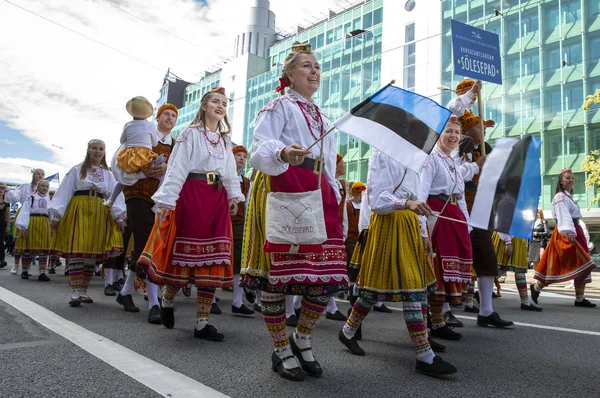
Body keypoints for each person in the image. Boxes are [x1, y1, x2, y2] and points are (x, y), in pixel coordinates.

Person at [241, 43, 348, 381]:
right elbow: (259, 150)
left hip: (318, 188)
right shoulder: (278, 107)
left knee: (325, 277)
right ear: (288, 75)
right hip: (283, 184)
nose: (314, 71)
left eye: (317, 66)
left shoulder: (324, 117)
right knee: (277, 277)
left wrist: (336, 196)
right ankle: (280, 348)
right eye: (306, 66)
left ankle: (301, 338)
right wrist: (284, 151)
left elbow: (330, 165)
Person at [338, 150, 457, 378]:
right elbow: (378, 201)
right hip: (389, 224)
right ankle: (424, 355)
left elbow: (418, 201)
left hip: (409, 225)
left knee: (394, 288)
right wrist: (407, 203)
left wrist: (423, 233)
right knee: (409, 286)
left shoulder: (416, 158)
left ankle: (348, 330)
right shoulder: (382, 154)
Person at [139, 86, 244, 341]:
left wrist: (233, 196)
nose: (220, 106)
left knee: (215, 258)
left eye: (224, 103)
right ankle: (167, 298)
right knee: (185, 256)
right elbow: (176, 168)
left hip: (216, 197)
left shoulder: (225, 140)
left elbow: (230, 171)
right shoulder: (190, 134)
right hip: (193, 194)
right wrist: (167, 201)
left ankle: (202, 322)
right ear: (205, 106)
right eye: (215, 101)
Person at [115, 103, 177, 324]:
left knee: (153, 244)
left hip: (161, 200)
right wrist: (142, 171)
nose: (170, 118)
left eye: (173, 116)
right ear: (156, 118)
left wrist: (166, 169)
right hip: (138, 193)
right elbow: (119, 161)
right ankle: (153, 303)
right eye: (166, 115)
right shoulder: (141, 133)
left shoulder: (176, 144)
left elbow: (180, 169)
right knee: (144, 240)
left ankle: (125, 291)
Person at [419, 115, 482, 335]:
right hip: (438, 217)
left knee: (448, 272)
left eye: (457, 132)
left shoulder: (452, 162)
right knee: (438, 271)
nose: (453, 136)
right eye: (448, 131)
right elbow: (421, 194)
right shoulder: (431, 159)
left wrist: (466, 224)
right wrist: (423, 229)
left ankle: (438, 323)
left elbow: (460, 193)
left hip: (454, 217)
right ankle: (431, 324)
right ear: (438, 134)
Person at [49, 140, 125, 306]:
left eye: (101, 149)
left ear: (104, 152)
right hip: (79, 207)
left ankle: (83, 291)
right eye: (94, 148)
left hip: (100, 209)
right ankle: (75, 292)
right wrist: (56, 216)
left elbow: (114, 195)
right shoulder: (77, 169)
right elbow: (65, 192)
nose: (97, 151)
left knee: (91, 251)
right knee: (78, 249)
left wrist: (119, 217)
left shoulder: (108, 174)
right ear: (88, 150)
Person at [459, 113, 514, 327]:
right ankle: (440, 313)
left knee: (487, 260)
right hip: (457, 214)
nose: (483, 130)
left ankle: (486, 311)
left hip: (480, 214)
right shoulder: (458, 149)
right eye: (478, 127)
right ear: (467, 131)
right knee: (450, 262)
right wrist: (475, 164)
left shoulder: (486, 149)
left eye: (484, 128)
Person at [531, 169, 597, 307]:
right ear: (561, 181)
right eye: (568, 178)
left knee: (582, 264)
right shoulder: (560, 197)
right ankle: (536, 287)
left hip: (574, 230)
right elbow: (564, 216)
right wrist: (570, 233)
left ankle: (580, 298)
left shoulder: (567, 197)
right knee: (561, 264)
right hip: (567, 233)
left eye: (572, 178)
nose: (571, 180)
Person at [105, 96, 166, 208]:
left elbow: (122, 140)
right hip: (146, 156)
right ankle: (158, 203)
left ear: (132, 113)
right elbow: (155, 143)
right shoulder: (150, 125)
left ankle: (110, 200)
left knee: (122, 179)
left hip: (131, 157)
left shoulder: (128, 125)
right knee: (163, 175)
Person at [229, 144, 255, 315]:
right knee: (219, 258)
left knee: (238, 261)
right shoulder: (221, 176)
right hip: (220, 222)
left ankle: (237, 302)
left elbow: (247, 205)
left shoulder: (246, 182)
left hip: (238, 224)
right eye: (238, 155)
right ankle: (212, 297)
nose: (241, 158)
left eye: (244, 156)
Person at [5, 168, 45, 274]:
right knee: (20, 241)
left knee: (35, 243)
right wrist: (7, 189)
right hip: (24, 214)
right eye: (38, 173)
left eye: (42, 174)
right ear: (33, 175)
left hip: (38, 218)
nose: (40, 176)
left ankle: (28, 268)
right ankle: (16, 265)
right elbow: (14, 197)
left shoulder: (45, 187)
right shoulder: (25, 186)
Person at [13, 180, 52, 281]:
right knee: (28, 248)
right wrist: (23, 226)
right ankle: (25, 271)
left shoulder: (49, 199)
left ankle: (42, 272)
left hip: (44, 223)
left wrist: (51, 225)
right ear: (38, 187)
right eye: (43, 186)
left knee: (44, 249)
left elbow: (51, 213)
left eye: (47, 186)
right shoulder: (31, 198)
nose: (45, 188)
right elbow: (25, 211)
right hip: (32, 222)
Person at [492, 232, 542, 311]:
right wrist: (508, 241)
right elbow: (503, 222)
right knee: (500, 268)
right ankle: (481, 293)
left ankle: (525, 302)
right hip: (507, 237)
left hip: (518, 237)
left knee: (520, 269)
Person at [0, 183, 11, 269]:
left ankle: (2, 260)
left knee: (1, 242)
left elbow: (8, 215)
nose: (1, 191)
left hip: (2, 224)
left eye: (2, 189)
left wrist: (8, 226)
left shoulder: (6, 201)